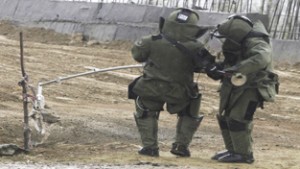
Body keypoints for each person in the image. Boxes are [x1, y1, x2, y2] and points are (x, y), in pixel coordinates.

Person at [128, 8, 215, 157]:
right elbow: (205, 67)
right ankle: (181, 146)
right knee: (190, 111)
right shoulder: (197, 47)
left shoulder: (151, 41)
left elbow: (137, 55)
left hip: (151, 88)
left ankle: (150, 147)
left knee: (145, 111)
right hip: (181, 92)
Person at [207, 15, 278, 163]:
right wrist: (219, 68)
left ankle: (244, 155)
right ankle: (233, 150)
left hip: (253, 86)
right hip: (237, 84)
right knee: (225, 117)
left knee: (238, 119)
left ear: (236, 33)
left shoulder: (256, 41)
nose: (225, 41)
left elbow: (261, 58)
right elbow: (234, 60)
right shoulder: (242, 40)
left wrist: (236, 69)